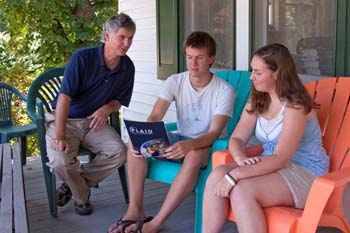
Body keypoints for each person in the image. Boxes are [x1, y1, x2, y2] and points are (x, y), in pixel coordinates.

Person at [108, 31, 235, 233]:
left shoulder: (224, 90)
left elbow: (214, 133)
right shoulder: (175, 81)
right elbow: (155, 115)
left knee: (193, 156)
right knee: (135, 142)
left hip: (207, 146)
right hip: (179, 141)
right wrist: (144, 137)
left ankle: (156, 223)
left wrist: (189, 145)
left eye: (200, 58)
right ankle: (135, 210)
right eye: (189, 57)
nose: (193, 64)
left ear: (211, 58)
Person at [202, 43, 330, 233]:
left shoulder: (296, 106)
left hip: (305, 171)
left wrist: (236, 174)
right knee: (215, 176)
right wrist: (240, 160)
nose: (251, 77)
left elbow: (281, 157)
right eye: (252, 71)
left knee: (242, 190)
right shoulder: (259, 100)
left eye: (258, 72)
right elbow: (237, 139)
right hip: (270, 163)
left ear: (277, 73)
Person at [45, 13, 136, 216]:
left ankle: (72, 185)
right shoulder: (82, 58)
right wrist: (59, 136)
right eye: (122, 37)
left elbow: (120, 99)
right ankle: (81, 197)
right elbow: (64, 99)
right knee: (59, 160)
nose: (127, 43)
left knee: (120, 152)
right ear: (106, 36)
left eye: (130, 38)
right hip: (66, 120)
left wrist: (107, 108)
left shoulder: (127, 67)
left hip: (94, 123)